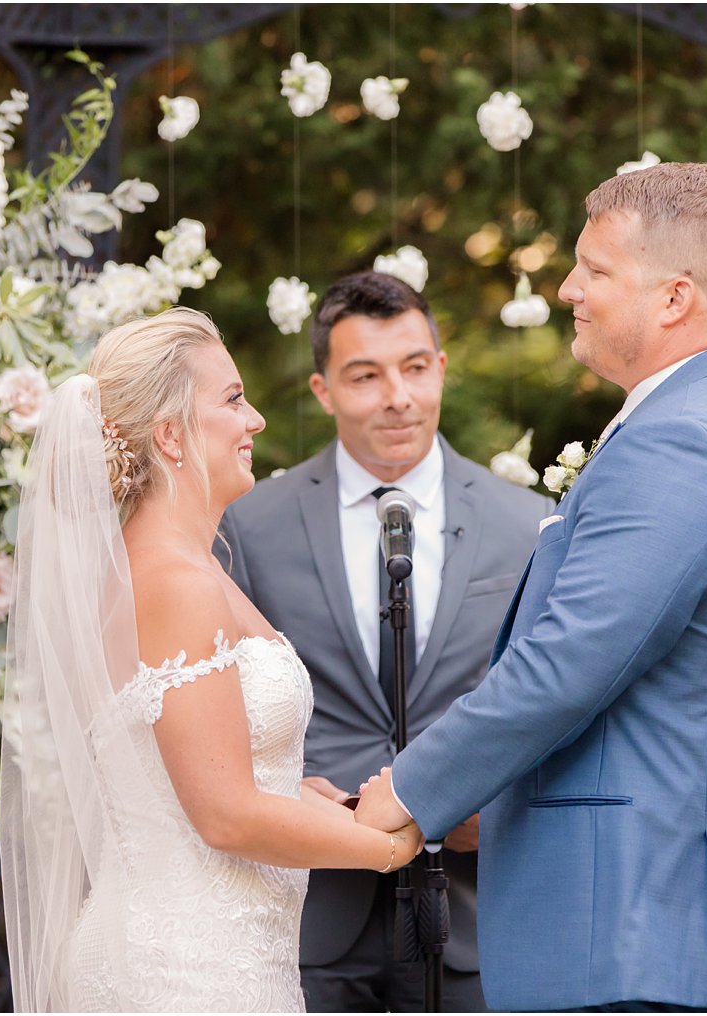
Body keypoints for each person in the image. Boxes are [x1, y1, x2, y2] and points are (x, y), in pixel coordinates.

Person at [355, 163, 707, 1012]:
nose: (569, 288)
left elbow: (569, 661)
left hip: (633, 931)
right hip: (638, 922)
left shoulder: (684, 442)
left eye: (595, 270)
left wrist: (410, 789)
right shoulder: (705, 424)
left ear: (674, 298)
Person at [0, 307, 424, 1013]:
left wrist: (312, 793)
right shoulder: (176, 582)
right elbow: (225, 816)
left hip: (209, 952)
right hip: (187, 972)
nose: (254, 419)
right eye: (231, 399)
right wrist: (390, 847)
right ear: (169, 434)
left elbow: (178, 779)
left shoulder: (176, 570)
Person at [220, 270, 552, 1012]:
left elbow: (550, 699)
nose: (396, 396)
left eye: (413, 368)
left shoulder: (525, 523)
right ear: (322, 391)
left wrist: (489, 811)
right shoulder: (252, 524)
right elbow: (220, 703)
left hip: (473, 911)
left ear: (439, 369)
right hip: (308, 919)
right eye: (365, 376)